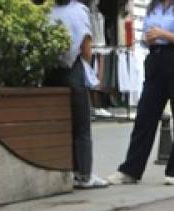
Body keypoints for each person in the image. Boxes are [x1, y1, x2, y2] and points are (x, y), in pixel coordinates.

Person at [108, 0, 174, 186]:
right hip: (155, 59)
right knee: (144, 117)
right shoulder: (153, 7)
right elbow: (145, 37)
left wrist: (164, 34)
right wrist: (147, 39)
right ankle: (130, 171)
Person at [46, 0, 108, 189]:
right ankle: (84, 175)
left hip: (52, 73)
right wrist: (88, 67)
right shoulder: (80, 11)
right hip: (74, 71)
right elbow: (86, 47)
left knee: (62, 125)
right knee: (82, 126)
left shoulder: (48, 12)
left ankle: (69, 170)